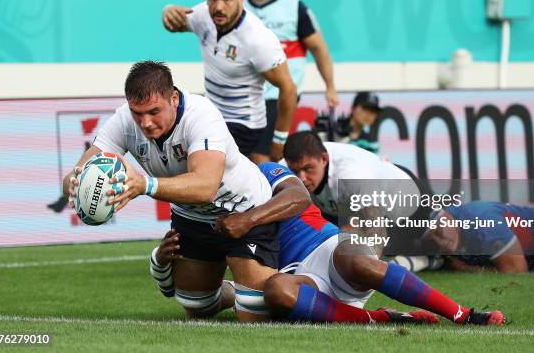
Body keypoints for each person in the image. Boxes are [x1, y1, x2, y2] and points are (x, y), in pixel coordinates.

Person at [64, 61, 296, 323]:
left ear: (173, 98)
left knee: (255, 318)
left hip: (244, 210)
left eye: (154, 111)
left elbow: (206, 186)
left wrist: (145, 185)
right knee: (198, 309)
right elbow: (79, 170)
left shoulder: (201, 115)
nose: (146, 123)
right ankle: (235, 292)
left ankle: (288, 277)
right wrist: (75, 184)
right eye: (137, 113)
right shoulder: (124, 120)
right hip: (193, 217)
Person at [151, 162, 505, 326]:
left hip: (328, 250)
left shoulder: (266, 171)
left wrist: (250, 219)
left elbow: (299, 197)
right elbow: (199, 298)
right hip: (298, 277)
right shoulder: (206, 208)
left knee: (359, 259)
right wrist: (160, 262)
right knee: (277, 293)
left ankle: (462, 314)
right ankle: (380, 318)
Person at [162, 0, 297, 162]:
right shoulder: (203, 15)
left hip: (244, 125)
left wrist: (279, 140)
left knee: (202, 168)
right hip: (210, 114)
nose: (219, 7)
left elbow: (289, 89)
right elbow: (174, 23)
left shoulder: (257, 39)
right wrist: (167, 11)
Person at [244, 0, 338, 163]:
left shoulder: (294, 7)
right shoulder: (239, 7)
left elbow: (319, 49)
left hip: (279, 94)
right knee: (247, 157)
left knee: (261, 155)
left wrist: (330, 86)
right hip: (246, 95)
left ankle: (268, 196)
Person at [282, 131, 432, 256]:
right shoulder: (283, 167)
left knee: (446, 244)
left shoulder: (352, 174)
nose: (301, 178)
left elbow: (376, 229)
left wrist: (365, 274)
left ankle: (428, 257)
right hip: (343, 206)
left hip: (409, 202)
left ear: (324, 159)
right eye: (295, 171)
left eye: (308, 169)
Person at [422, 201, 534, 274]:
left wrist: (468, 270)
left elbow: (517, 270)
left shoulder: (482, 220)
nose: (441, 237)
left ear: (447, 214)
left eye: (439, 228)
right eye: (432, 238)